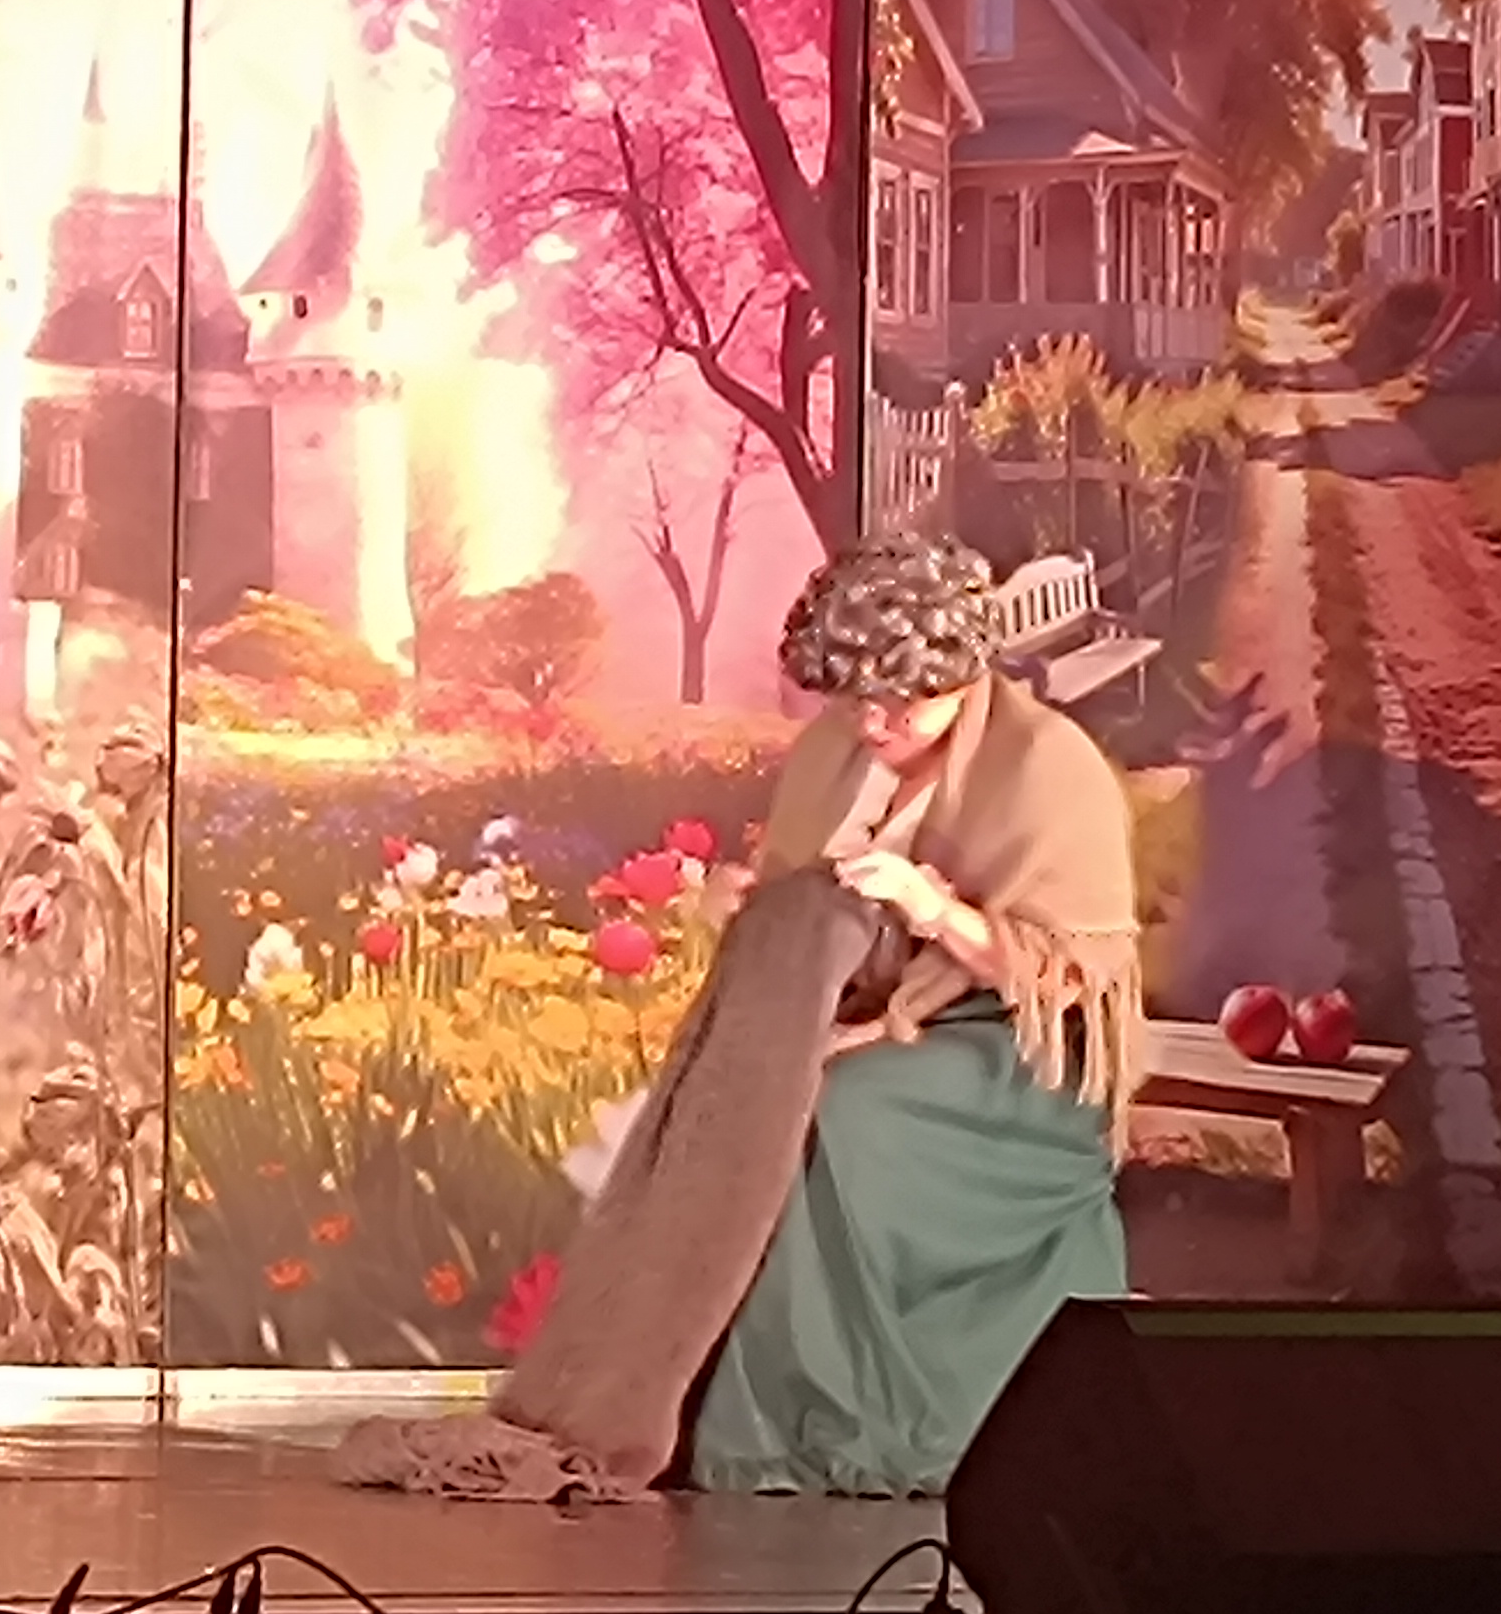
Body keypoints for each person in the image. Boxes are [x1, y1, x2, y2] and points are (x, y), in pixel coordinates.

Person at [337, 533, 1140, 1502]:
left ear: (964, 679)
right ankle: (699, 1408)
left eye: (903, 702)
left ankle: (819, 1418)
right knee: (746, 1110)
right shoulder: (840, 752)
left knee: (840, 1114)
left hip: (1014, 1054)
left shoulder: (1048, 768)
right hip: (873, 1025)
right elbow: (811, 904)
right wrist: (755, 904)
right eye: (857, 699)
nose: (877, 722)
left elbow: (1067, 976)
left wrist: (935, 910)